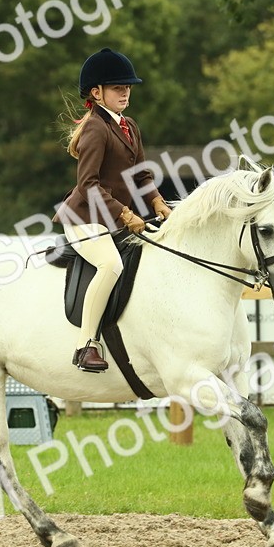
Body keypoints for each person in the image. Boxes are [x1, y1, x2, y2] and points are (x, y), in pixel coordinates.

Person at [54, 48, 172, 372]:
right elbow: (88, 185)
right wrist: (125, 214)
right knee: (110, 265)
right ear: (97, 92)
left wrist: (159, 204)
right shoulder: (95, 127)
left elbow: (142, 174)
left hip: (113, 217)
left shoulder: (129, 125)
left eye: (128, 87)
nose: (126, 92)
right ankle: (86, 345)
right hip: (84, 217)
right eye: (118, 87)